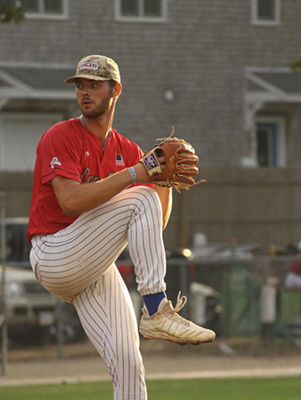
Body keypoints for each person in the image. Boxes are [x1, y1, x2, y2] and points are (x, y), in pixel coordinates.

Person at [27, 55, 215, 400]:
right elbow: (69, 201)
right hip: (54, 252)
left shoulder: (128, 150)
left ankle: (154, 313)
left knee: (128, 361)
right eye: (80, 84)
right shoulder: (61, 136)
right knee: (140, 191)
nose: (85, 92)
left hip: (93, 265)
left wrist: (163, 182)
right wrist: (137, 175)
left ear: (116, 90)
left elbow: (152, 222)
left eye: (94, 85)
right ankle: (157, 308)